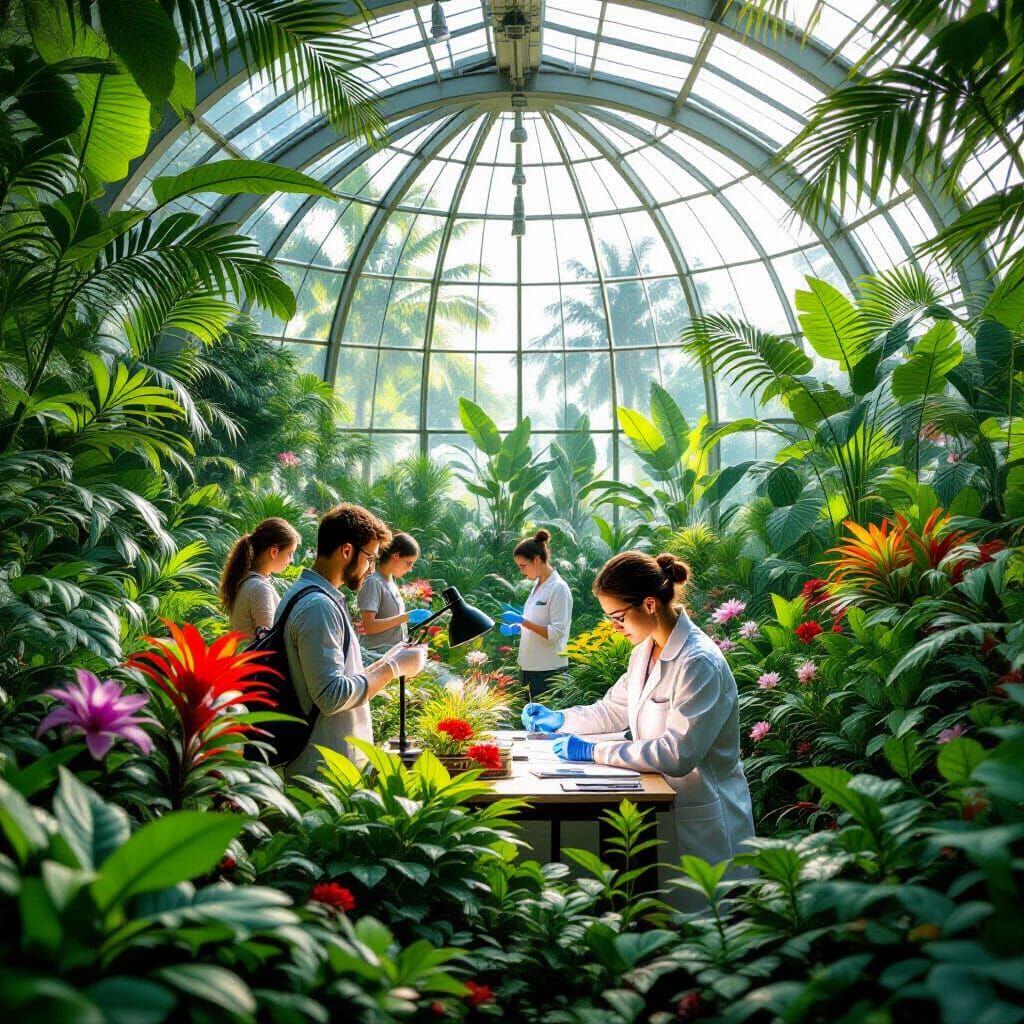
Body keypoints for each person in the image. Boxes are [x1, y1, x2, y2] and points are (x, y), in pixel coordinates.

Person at [522, 550, 754, 874]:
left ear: (649, 604)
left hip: (706, 819)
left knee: (708, 915)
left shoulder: (698, 663)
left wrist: (593, 751)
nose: (614, 627)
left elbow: (677, 753)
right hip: (665, 806)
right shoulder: (644, 651)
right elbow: (613, 710)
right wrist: (561, 719)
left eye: (618, 617)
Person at [275, 503, 428, 777]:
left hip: (327, 764)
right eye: (370, 557)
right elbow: (331, 696)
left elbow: (336, 678)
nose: (371, 568)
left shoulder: (310, 596)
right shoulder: (317, 607)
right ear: (347, 551)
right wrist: (393, 669)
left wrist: (390, 659)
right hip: (322, 770)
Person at [500, 529, 573, 699]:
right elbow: (536, 623)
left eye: (523, 566)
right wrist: (517, 628)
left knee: (546, 723)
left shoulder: (558, 588)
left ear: (537, 560)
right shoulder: (537, 586)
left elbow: (555, 633)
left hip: (549, 671)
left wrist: (523, 622)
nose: (522, 572)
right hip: (529, 668)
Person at [220, 517, 301, 634]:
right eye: (290, 554)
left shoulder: (248, 582)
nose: (291, 560)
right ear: (274, 552)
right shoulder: (259, 588)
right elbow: (268, 640)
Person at [357, 531, 431, 652]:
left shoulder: (391, 581)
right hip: (374, 658)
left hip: (390, 656)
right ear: (396, 556)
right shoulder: (373, 582)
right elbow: (368, 626)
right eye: (409, 563)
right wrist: (405, 617)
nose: (410, 569)